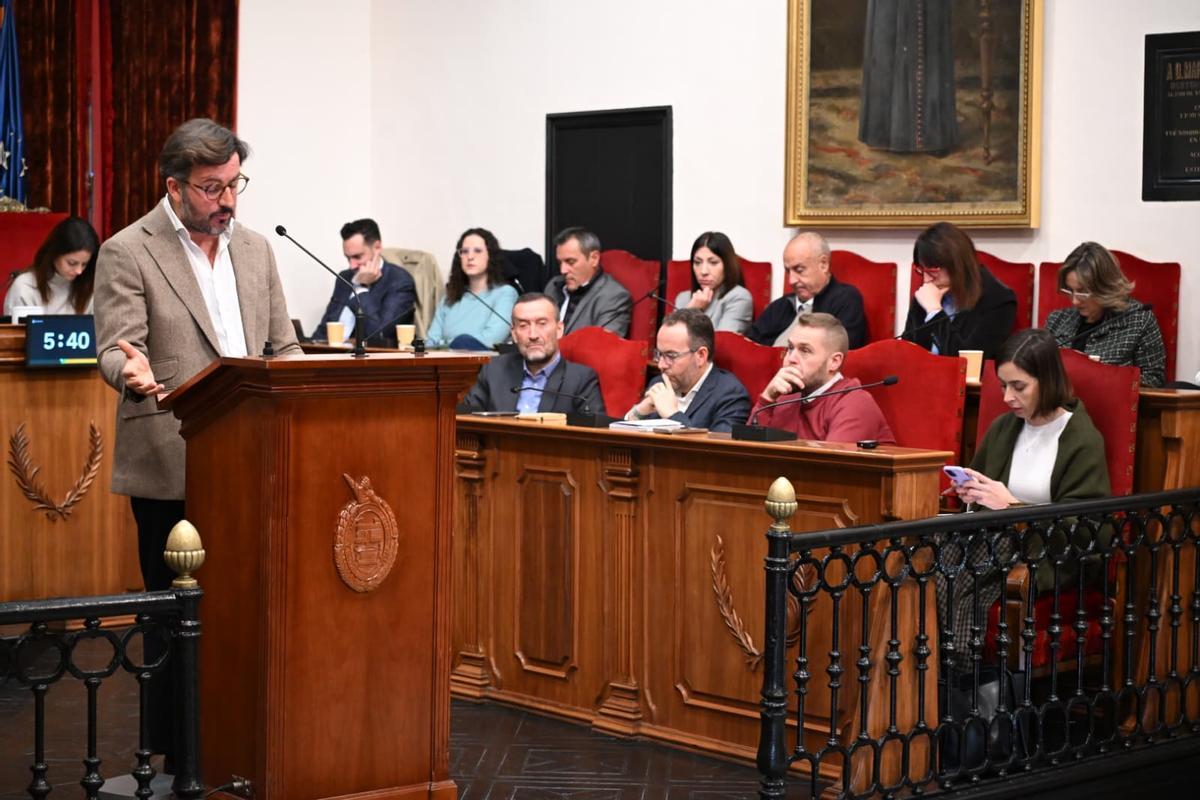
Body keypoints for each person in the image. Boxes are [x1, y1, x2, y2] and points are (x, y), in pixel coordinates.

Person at [94, 117, 301, 763]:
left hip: (257, 462)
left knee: (251, 611)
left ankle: (248, 734)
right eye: (213, 188)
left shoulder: (256, 249)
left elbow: (282, 346)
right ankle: (180, 750)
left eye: (236, 183)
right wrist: (128, 373)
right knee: (176, 621)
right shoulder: (129, 250)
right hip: (171, 459)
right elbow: (115, 347)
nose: (228, 200)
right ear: (176, 188)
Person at [749, 313, 895, 443]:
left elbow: (829, 468)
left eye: (805, 350)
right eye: (790, 348)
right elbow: (746, 456)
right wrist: (767, 399)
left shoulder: (855, 403)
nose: (791, 358)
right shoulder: (783, 398)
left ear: (834, 362)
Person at [1042, 242, 1167, 387]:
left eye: (1082, 291)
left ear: (1104, 287)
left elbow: (1155, 380)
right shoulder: (1056, 321)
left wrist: (1107, 379)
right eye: (1069, 291)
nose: (1075, 301)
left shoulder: (1139, 319)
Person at [458, 292, 605, 414]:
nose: (533, 335)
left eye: (542, 324)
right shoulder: (493, 370)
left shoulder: (581, 379)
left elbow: (596, 436)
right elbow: (465, 420)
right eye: (523, 325)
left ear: (559, 329)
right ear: (514, 334)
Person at [903, 222, 1016, 359]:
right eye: (921, 270)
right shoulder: (927, 293)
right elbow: (907, 351)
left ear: (956, 265)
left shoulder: (998, 300)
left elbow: (967, 363)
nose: (926, 280)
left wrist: (935, 312)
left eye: (932, 271)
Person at [625, 308, 750, 432]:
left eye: (671, 355)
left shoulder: (730, 395)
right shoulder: (659, 384)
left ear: (701, 355)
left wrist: (673, 415)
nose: (661, 365)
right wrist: (640, 411)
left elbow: (719, 450)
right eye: (659, 354)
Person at [748, 232, 866, 348]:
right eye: (788, 271)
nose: (791, 281)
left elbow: (840, 353)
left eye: (799, 270)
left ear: (823, 264)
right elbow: (748, 346)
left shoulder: (845, 300)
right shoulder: (780, 306)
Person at [317, 218, 417, 347]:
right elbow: (321, 333)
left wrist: (360, 289)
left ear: (377, 247)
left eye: (357, 257)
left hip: (368, 361)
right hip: (330, 356)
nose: (351, 265)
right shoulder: (344, 277)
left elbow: (379, 335)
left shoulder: (399, 281)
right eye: (348, 258)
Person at [426, 228, 518, 350]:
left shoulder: (506, 293)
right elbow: (431, 341)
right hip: (443, 364)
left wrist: (446, 343)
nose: (470, 256)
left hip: (484, 365)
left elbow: (490, 339)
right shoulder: (449, 297)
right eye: (464, 251)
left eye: (477, 251)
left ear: (490, 256)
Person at [544, 227, 632, 337]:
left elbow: (603, 346)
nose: (563, 270)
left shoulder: (614, 297)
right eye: (560, 262)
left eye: (570, 262)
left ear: (594, 258)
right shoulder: (553, 286)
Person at [4, 216, 99, 316]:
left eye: (84, 264)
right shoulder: (25, 288)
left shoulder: (89, 286)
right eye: (72, 263)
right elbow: (16, 331)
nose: (79, 271)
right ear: (54, 254)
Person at [673, 232, 752, 334]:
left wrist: (693, 313)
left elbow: (723, 344)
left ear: (727, 265)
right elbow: (667, 341)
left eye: (713, 262)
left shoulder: (739, 297)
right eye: (697, 262)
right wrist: (690, 309)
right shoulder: (683, 298)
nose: (703, 271)